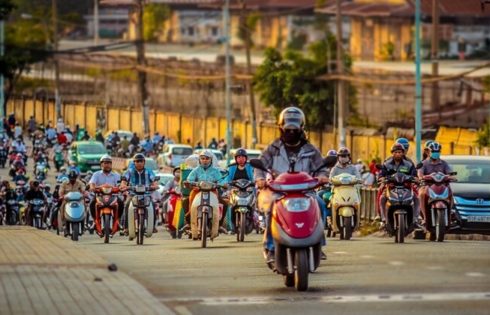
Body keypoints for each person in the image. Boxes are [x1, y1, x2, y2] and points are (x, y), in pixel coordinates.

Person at [254, 107, 329, 263]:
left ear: (301, 128)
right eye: (288, 129)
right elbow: (260, 165)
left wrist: (322, 177)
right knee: (270, 210)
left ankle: (318, 243)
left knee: (321, 204)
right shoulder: (273, 149)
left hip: (306, 192)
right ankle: (271, 247)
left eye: (295, 129)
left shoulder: (311, 150)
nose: (291, 132)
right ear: (281, 128)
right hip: (280, 193)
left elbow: (321, 167)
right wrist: (260, 179)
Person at [185, 150, 226, 240]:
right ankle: (189, 220)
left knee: (224, 203)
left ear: (211, 160)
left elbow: (221, 180)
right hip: (198, 191)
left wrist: (221, 184)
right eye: (202, 158)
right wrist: (191, 183)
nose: (205, 160)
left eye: (207, 159)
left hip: (212, 191)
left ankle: (219, 224)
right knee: (187, 199)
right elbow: (189, 179)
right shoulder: (196, 170)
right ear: (199, 160)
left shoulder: (215, 171)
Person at [377, 143, 417, 225]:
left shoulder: (409, 164)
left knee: (417, 198)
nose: (398, 154)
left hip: (406, 188)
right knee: (382, 198)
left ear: (403, 153)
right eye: (396, 152)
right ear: (392, 153)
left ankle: (416, 218)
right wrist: (382, 179)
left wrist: (415, 179)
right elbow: (381, 175)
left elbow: (414, 175)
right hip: (391, 188)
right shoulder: (386, 164)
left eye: (400, 152)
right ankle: (382, 218)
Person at [120, 153, 158, 237]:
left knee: (153, 205)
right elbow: (124, 180)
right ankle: (125, 227)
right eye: (137, 161)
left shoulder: (149, 171)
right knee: (126, 205)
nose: (139, 163)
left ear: (144, 162)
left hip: (146, 194)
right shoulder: (129, 171)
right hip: (133, 194)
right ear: (134, 162)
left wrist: (155, 185)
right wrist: (123, 185)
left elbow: (154, 180)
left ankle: (153, 226)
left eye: (141, 161)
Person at [417, 142, 455, 223]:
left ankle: (450, 212)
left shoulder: (444, 163)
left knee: (450, 191)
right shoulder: (423, 163)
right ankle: (423, 217)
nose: (436, 154)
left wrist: (450, 177)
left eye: (437, 152)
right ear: (428, 152)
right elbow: (420, 175)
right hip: (427, 186)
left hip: (442, 186)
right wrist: (422, 177)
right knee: (420, 194)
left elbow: (449, 174)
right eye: (433, 152)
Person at [89, 155, 123, 234]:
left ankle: (118, 221)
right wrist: (92, 187)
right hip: (99, 196)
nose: (107, 165)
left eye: (109, 163)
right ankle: (94, 221)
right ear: (101, 164)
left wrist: (121, 188)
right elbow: (92, 183)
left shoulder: (116, 175)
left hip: (113, 197)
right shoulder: (96, 174)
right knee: (91, 204)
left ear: (111, 165)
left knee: (121, 203)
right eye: (105, 163)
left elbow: (120, 185)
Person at [225, 148, 254, 232]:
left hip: (248, 189)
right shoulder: (232, 167)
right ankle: (232, 225)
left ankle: (252, 221)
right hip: (235, 190)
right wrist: (226, 184)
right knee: (231, 206)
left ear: (246, 158)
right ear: (236, 159)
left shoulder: (250, 166)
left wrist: (255, 182)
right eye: (239, 157)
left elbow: (253, 178)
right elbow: (228, 178)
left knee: (252, 204)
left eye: (243, 157)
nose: (241, 159)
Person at [58, 170, 86, 235]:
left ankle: (83, 224)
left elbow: (83, 189)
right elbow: (60, 191)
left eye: (74, 178)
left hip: (78, 200)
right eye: (71, 178)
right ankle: (64, 224)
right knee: (62, 207)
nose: (72, 179)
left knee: (84, 206)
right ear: (68, 177)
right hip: (67, 200)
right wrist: (61, 196)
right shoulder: (64, 183)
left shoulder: (79, 183)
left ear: (76, 177)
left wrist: (84, 193)